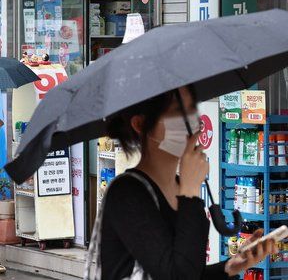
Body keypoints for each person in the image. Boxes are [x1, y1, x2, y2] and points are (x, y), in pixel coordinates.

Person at [101, 86, 277, 280]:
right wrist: (191, 191)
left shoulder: (179, 186)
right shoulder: (126, 193)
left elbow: (189, 269)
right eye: (177, 112)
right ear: (141, 124)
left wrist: (229, 267)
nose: (192, 123)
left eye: (192, 109)